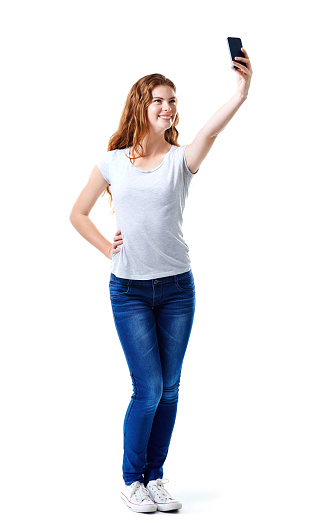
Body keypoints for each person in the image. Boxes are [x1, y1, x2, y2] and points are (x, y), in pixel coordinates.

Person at [69, 48, 253, 513]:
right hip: (129, 291)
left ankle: (155, 477)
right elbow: (77, 213)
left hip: (177, 290)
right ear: (140, 106)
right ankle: (133, 479)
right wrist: (106, 248)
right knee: (147, 387)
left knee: (170, 387)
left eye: (173, 100)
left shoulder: (181, 159)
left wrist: (241, 93)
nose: (168, 107)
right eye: (159, 100)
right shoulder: (112, 161)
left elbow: (210, 129)